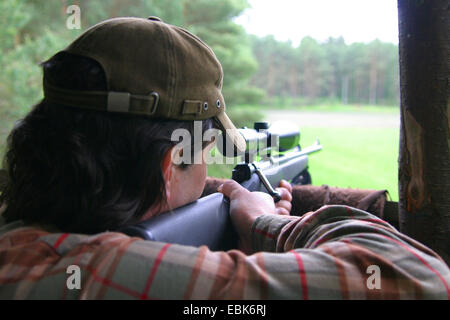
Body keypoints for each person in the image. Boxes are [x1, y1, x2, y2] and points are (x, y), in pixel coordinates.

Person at [0, 17, 448, 300]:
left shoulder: (21, 239)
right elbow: (420, 278)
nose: (208, 175)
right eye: (203, 159)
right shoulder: (106, 269)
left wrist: (220, 197)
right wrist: (267, 223)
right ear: (170, 162)